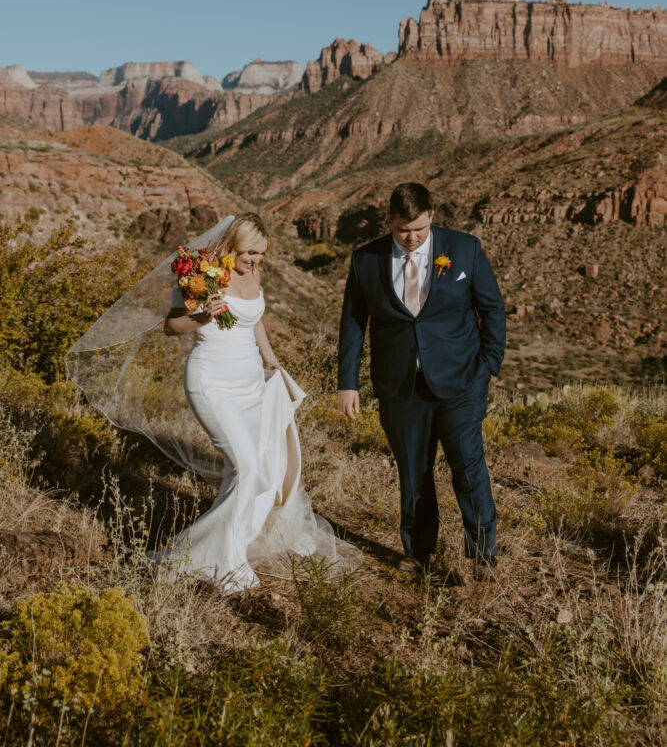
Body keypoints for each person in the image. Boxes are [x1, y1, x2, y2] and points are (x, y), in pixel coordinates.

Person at [154, 213, 337, 594]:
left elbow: (255, 319)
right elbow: (171, 326)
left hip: (251, 382)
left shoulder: (253, 274)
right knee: (247, 466)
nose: (256, 260)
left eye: (262, 254)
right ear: (231, 246)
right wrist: (203, 314)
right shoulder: (203, 272)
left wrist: (270, 359)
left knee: (261, 469)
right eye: (250, 253)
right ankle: (221, 560)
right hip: (212, 383)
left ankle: (228, 543)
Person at [337, 183, 506, 575]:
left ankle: (483, 554)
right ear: (389, 222)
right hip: (399, 386)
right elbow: (352, 322)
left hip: (461, 380)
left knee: (467, 465)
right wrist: (348, 382)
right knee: (414, 472)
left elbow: (492, 309)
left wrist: (489, 365)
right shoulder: (366, 260)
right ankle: (418, 552)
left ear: (431, 215)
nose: (410, 237)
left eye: (417, 228)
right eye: (401, 230)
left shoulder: (465, 249)